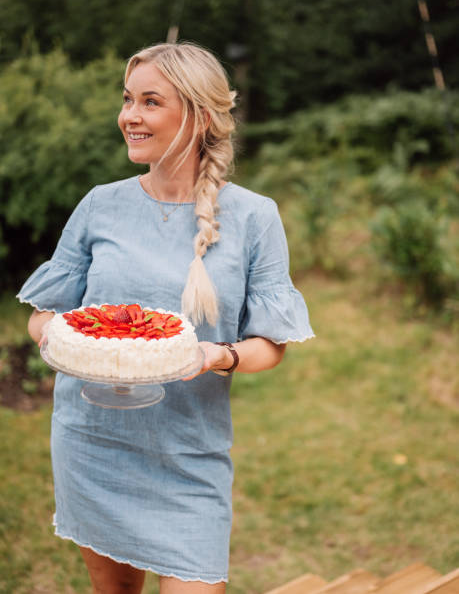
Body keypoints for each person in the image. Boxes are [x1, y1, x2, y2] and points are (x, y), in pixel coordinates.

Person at [18, 42, 314, 593]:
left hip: (188, 455)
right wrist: (61, 339)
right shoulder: (100, 205)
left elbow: (270, 345)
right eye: (128, 99)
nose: (129, 115)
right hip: (93, 442)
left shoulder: (255, 216)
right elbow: (45, 315)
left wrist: (216, 355)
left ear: (200, 116)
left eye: (150, 102)